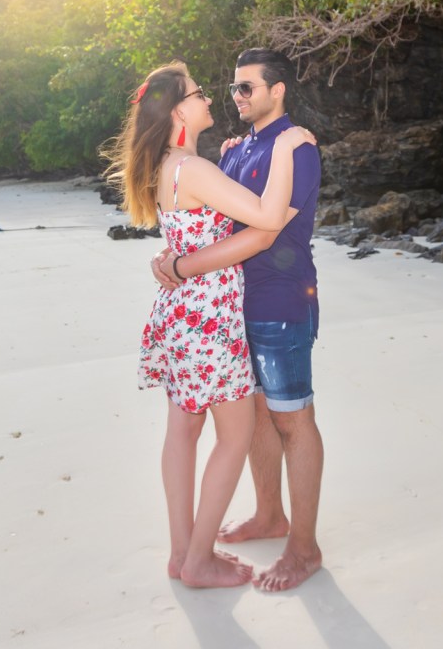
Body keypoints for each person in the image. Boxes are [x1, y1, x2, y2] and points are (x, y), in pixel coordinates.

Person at [103, 61, 315, 589]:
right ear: (179, 111)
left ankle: (181, 554)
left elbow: (200, 227)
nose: (209, 99)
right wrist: (285, 148)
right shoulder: (193, 169)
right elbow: (268, 220)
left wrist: (234, 163)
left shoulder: (169, 164)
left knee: (182, 431)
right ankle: (198, 561)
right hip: (210, 314)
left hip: (180, 311)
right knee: (234, 435)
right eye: (198, 94)